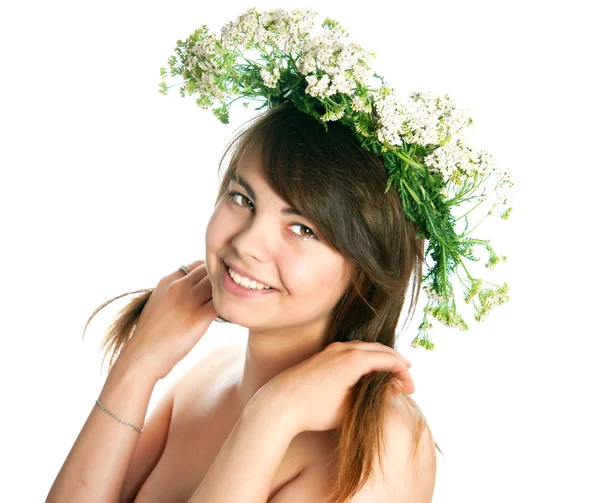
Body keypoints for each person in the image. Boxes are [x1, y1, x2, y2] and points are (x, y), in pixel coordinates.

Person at [47, 7, 510, 503]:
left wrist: (270, 419)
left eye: (302, 228)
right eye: (242, 198)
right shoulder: (207, 377)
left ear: (366, 270)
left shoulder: (381, 441)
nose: (246, 243)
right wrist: (136, 367)